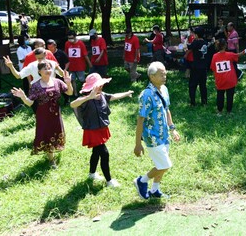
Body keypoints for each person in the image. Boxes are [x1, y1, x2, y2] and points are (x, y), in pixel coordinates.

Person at [70, 73, 134, 187]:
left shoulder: (102, 95)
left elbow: (113, 96)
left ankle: (92, 174)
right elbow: (72, 104)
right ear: (92, 87)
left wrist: (126, 93)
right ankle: (109, 181)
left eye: (101, 85)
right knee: (104, 154)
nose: (101, 87)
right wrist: (89, 97)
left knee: (96, 152)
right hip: (92, 131)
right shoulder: (86, 98)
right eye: (98, 85)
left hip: (101, 129)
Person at [11, 62, 73, 168]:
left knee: (55, 132)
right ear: (39, 72)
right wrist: (23, 97)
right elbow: (30, 103)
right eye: (45, 68)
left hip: (56, 113)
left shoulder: (58, 82)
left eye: (49, 68)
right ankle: (51, 159)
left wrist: (68, 83)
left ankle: (52, 152)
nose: (48, 70)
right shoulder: (36, 86)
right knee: (46, 134)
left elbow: (70, 93)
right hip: (43, 115)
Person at [133, 62, 180, 199]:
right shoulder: (146, 95)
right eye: (161, 74)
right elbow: (140, 120)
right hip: (152, 136)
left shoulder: (164, 89)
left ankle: (155, 190)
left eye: (165, 73)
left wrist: (172, 129)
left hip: (164, 133)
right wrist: (137, 144)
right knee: (165, 165)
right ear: (152, 77)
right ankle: (141, 181)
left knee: (161, 165)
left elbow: (167, 109)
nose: (164, 76)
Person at [210, 39, 246, 115]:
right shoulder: (229, 54)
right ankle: (229, 111)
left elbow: (213, 68)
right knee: (230, 96)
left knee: (220, 95)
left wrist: (215, 79)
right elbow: (238, 55)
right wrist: (245, 51)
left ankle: (219, 111)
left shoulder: (214, 56)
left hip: (220, 80)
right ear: (225, 46)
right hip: (230, 79)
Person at [65, 30, 92, 96]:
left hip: (80, 66)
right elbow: (66, 54)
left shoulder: (80, 44)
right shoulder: (67, 44)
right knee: (72, 80)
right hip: (71, 66)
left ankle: (86, 91)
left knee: (82, 79)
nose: (70, 40)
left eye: (71, 38)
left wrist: (89, 64)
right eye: (69, 38)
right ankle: (75, 94)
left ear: (75, 37)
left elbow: (85, 55)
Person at [188, 28, 208, 106]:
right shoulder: (205, 43)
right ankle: (204, 102)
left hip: (196, 67)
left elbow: (188, 47)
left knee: (192, 85)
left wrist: (186, 39)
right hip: (204, 67)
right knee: (203, 85)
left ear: (196, 35)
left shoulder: (195, 42)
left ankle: (193, 102)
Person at [47, 39, 71, 104]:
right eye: (48, 47)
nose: (50, 49)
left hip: (61, 73)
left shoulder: (61, 53)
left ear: (55, 46)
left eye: (51, 47)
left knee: (63, 87)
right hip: (52, 74)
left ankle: (67, 99)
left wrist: (65, 69)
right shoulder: (47, 54)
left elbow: (67, 62)